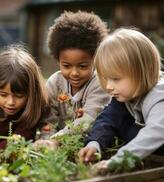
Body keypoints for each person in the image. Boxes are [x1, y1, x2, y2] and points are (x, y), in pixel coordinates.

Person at [78, 28, 164, 173]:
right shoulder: (127, 91)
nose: (109, 86)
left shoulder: (162, 94)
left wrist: (118, 160)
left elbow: (156, 132)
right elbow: (108, 119)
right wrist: (94, 144)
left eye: (116, 79)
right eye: (106, 78)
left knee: (134, 132)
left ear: (143, 71)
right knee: (119, 121)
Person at [38, 10, 111, 140]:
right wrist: (46, 142)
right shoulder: (54, 83)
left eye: (83, 66)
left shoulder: (100, 84)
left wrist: (56, 140)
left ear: (95, 58)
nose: (74, 73)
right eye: (66, 66)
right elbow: (48, 121)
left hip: (91, 142)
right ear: (58, 60)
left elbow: (87, 120)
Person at [0, 45, 48, 161]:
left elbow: (22, 136)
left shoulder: (34, 105)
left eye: (19, 96)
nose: (11, 102)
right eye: (3, 94)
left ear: (31, 93)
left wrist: (1, 151)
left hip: (12, 154)